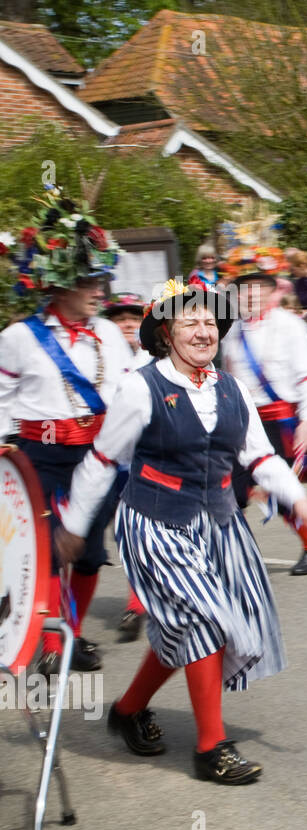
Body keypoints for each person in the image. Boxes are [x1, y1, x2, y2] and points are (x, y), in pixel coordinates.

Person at [57, 280, 307, 785]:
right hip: (155, 521)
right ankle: (211, 747)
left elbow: (261, 456)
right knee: (208, 619)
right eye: (191, 321)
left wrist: (302, 502)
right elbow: (102, 460)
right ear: (166, 334)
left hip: (218, 522)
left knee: (179, 627)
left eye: (210, 321)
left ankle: (127, 710)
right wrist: (74, 525)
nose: (204, 329)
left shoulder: (232, 388)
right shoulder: (142, 387)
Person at [0, 186, 132, 674]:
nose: (101, 289)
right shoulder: (17, 338)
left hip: (97, 459)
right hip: (41, 457)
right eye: (90, 281)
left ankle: (69, 634)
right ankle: (53, 648)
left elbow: (127, 395)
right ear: (59, 285)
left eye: (102, 278)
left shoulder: (110, 334)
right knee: (53, 551)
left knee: (92, 554)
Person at [221, 247, 307, 576]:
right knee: (228, 492)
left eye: (257, 286)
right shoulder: (230, 330)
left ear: (271, 289)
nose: (250, 294)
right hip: (239, 421)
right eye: (244, 287)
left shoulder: (290, 325)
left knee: (282, 492)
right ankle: (234, 556)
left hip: (279, 421)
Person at [102, 294, 153, 642]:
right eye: (119, 317)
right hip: (99, 461)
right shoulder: (95, 356)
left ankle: (137, 605)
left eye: (134, 316)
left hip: (142, 461)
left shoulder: (153, 357)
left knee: (134, 534)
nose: (127, 322)